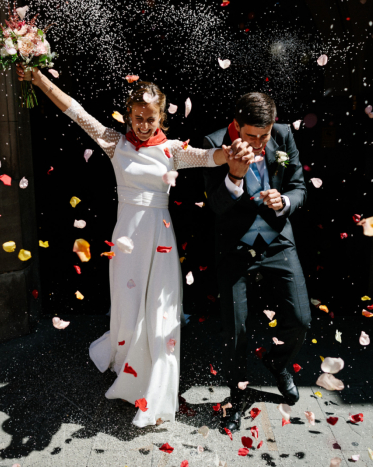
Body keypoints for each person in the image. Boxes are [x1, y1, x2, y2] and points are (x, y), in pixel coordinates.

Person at [16, 64, 254, 427]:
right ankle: (128, 371)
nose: (143, 124)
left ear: (162, 116)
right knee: (128, 311)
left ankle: (157, 390)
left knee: (160, 317)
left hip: (160, 238)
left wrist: (232, 154)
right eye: (138, 117)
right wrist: (38, 78)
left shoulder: (173, 150)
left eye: (151, 118)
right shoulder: (115, 143)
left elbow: (211, 157)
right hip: (127, 242)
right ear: (128, 114)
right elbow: (74, 110)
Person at [202, 92, 312, 432]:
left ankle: (277, 364)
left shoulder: (283, 135)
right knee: (236, 330)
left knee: (301, 319)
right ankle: (236, 398)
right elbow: (216, 207)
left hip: (278, 241)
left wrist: (284, 201)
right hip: (236, 246)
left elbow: (299, 187)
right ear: (236, 126)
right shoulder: (213, 143)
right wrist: (234, 178)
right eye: (251, 136)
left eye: (264, 136)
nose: (260, 142)